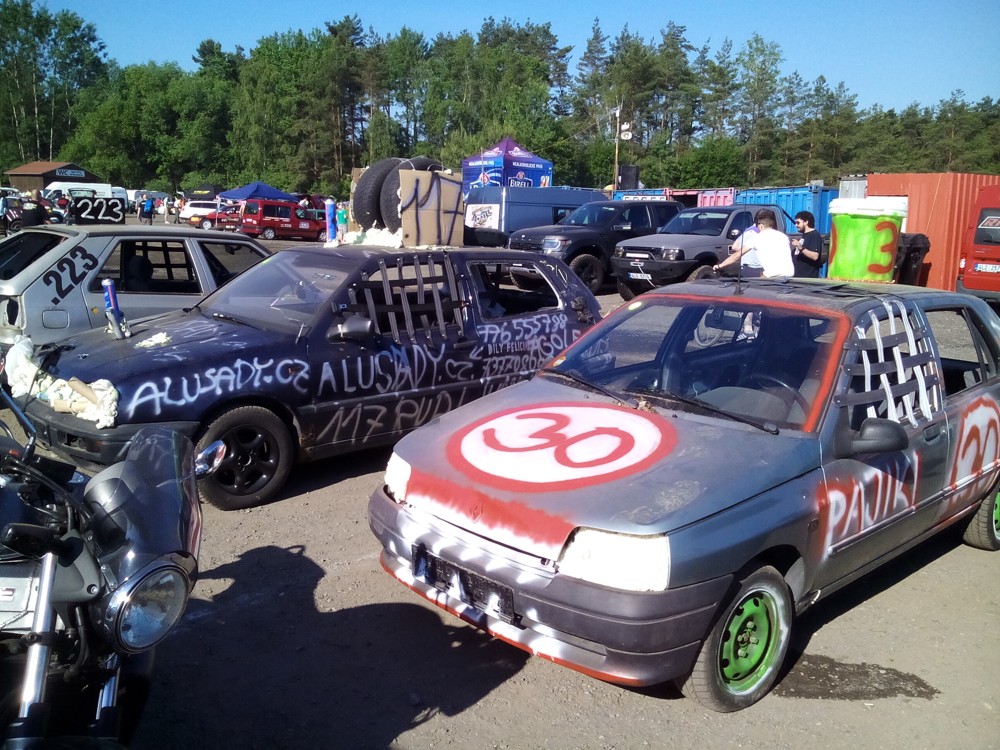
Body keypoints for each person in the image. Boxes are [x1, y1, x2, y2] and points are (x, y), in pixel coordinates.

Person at [714, 208, 793, 278]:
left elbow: (736, 256)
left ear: (761, 225)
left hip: (773, 277)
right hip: (789, 275)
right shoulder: (784, 237)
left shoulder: (757, 238)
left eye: (757, 226)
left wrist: (719, 266)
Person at [791, 210, 824, 278]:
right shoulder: (804, 235)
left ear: (806, 222)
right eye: (795, 223)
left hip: (806, 279)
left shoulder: (814, 235)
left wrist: (800, 247)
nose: (796, 225)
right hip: (797, 277)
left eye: (798, 223)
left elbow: (815, 256)